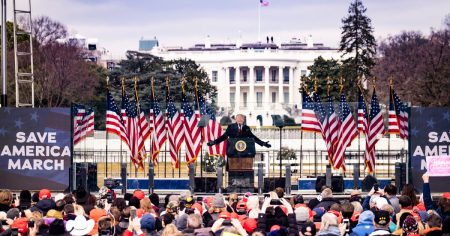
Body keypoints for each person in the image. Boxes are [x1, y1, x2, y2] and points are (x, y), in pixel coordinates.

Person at [207, 114, 271, 148]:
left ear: (243, 120)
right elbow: (224, 137)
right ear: (236, 119)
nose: (240, 119)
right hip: (233, 149)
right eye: (238, 118)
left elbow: (253, 137)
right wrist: (214, 142)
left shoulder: (246, 128)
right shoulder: (231, 127)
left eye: (241, 118)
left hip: (244, 150)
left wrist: (263, 143)